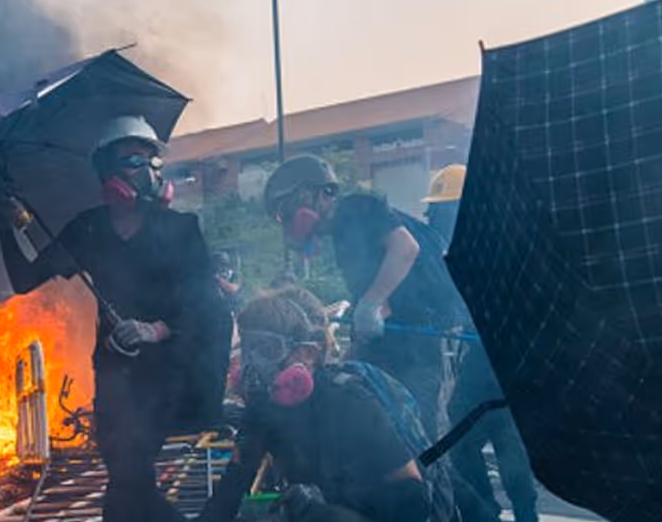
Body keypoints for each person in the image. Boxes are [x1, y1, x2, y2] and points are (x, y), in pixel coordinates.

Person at [0, 115, 231, 522]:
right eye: (134, 161)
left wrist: (155, 329)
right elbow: (24, 279)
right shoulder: (87, 229)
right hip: (114, 375)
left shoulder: (180, 229)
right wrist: (3, 223)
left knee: (128, 485)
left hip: (167, 376)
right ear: (108, 174)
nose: (149, 171)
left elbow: (206, 307)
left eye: (152, 161)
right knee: (126, 487)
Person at [198, 292, 457, 522]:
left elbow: (413, 498)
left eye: (267, 350)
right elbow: (231, 488)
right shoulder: (263, 409)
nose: (255, 364)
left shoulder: (350, 402)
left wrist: (333, 512)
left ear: (308, 354)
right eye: (249, 349)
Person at [262, 155, 465, 443]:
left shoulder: (356, 209)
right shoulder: (345, 236)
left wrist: (371, 303)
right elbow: (373, 298)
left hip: (422, 341)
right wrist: (353, 353)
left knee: (417, 436)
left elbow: (406, 249)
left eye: (287, 211)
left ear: (315, 194)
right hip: (399, 345)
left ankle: (430, 487)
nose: (288, 222)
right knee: (390, 429)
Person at [422, 165, 539, 522]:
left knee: (505, 440)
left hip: (503, 361)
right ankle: (492, 512)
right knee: (472, 437)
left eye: (443, 211)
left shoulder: (494, 243)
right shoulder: (458, 250)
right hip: (482, 361)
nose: (437, 219)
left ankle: (516, 514)